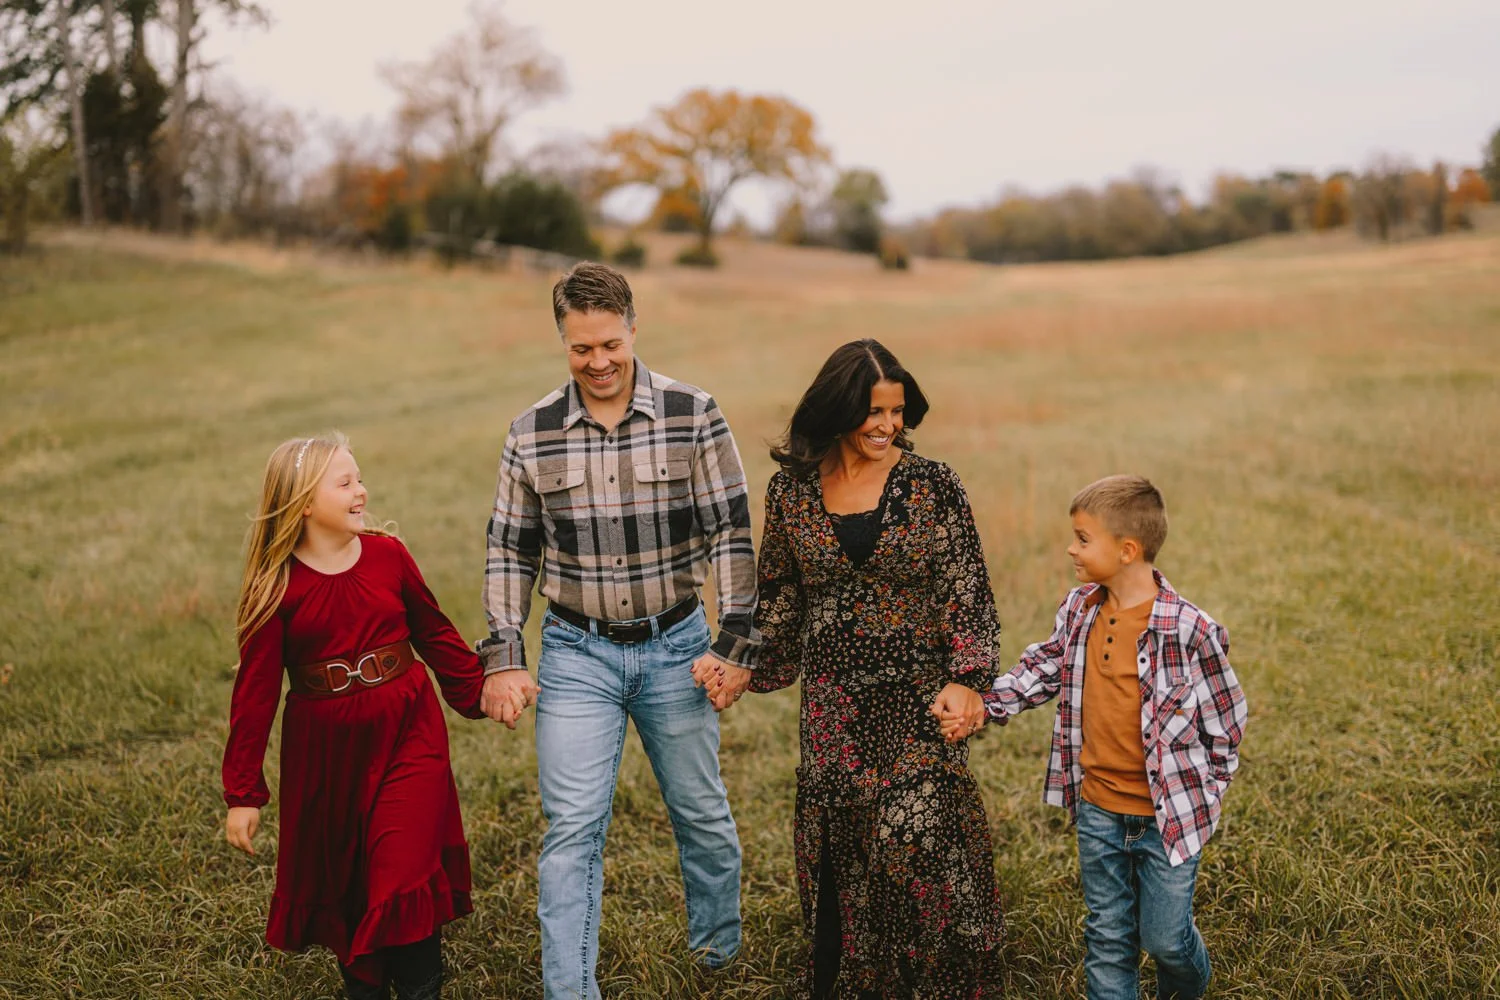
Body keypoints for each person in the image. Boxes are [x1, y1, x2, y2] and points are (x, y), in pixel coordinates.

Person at [477, 262, 758, 1000]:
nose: (597, 362)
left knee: (700, 812)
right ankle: (571, 990)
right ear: (562, 342)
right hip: (576, 653)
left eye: (610, 344)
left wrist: (733, 645)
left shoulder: (693, 413)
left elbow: (730, 532)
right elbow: (510, 550)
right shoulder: (530, 433)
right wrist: (506, 655)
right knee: (572, 828)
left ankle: (717, 957)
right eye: (580, 348)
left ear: (633, 328)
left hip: (679, 647)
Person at [736, 339, 1004, 999]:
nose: (887, 425)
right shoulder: (791, 490)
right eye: (873, 411)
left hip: (919, 696)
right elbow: (778, 598)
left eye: (897, 410)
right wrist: (739, 664)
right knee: (846, 845)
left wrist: (968, 677)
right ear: (838, 408)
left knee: (915, 834)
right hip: (835, 707)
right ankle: (854, 980)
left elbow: (965, 586)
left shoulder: (933, 484)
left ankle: (936, 981)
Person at [223, 432, 517, 1000]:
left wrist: (482, 691)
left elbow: (433, 631)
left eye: (359, 479)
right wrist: (243, 793)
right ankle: (364, 983)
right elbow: (254, 696)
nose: (363, 491)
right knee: (351, 874)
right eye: (346, 483)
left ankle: (419, 985)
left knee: (401, 863)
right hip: (326, 746)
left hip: (408, 725)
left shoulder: (388, 555)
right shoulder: (276, 587)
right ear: (304, 502)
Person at [947, 475, 1247, 1000]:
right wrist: (984, 705)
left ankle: (1186, 988)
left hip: (1168, 817)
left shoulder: (1188, 629)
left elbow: (1227, 719)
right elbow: (1042, 669)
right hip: (1099, 810)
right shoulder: (1081, 609)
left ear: (1128, 550)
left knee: (1165, 939)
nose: (1071, 548)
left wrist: (1209, 791)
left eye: (1083, 539)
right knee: (1108, 935)